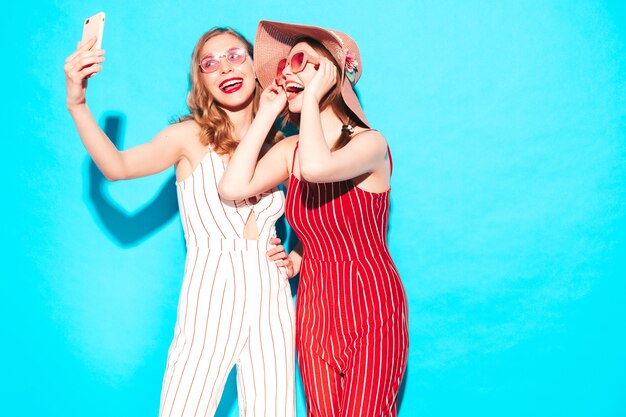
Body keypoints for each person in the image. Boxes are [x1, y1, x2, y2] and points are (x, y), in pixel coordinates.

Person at [64, 27, 296, 417]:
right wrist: (78, 103)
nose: (225, 67)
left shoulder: (281, 141)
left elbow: (318, 213)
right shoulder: (190, 137)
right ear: (202, 81)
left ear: (257, 67)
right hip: (211, 293)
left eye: (235, 55)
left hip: (273, 297)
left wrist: (297, 255)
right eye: (210, 63)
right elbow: (117, 167)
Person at [218, 20, 409, 417]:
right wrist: (267, 112)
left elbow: (318, 167)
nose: (285, 71)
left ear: (331, 74)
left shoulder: (370, 143)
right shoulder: (291, 149)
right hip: (314, 313)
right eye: (283, 65)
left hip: (372, 307)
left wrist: (313, 99)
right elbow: (232, 187)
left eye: (300, 61)